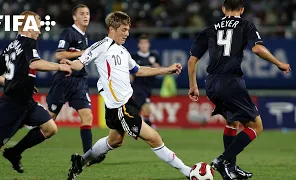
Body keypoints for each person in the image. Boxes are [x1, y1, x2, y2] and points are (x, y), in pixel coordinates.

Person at [63, 11, 192, 180]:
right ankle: (189, 172)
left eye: (128, 30)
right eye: (123, 29)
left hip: (127, 103)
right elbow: (80, 63)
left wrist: (167, 69)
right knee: (155, 138)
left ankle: (80, 161)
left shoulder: (123, 51)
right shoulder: (101, 46)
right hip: (120, 108)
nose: (127, 33)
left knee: (115, 141)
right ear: (112, 28)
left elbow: (138, 70)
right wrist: (69, 65)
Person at [187, 0, 291, 179]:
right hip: (231, 82)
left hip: (211, 83)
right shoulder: (245, 24)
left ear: (223, 9)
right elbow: (257, 49)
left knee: (232, 123)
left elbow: (191, 61)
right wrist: (279, 63)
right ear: (242, 10)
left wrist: (193, 86)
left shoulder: (210, 29)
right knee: (256, 127)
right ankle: (223, 161)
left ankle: (231, 169)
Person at [0, 11, 72, 173]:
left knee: (50, 128)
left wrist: (18, 83)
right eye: (37, 25)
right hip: (11, 105)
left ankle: (14, 152)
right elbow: (35, 64)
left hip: (27, 102)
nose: (40, 29)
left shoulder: (11, 45)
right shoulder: (28, 42)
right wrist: (60, 66)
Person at [46, 4, 105, 165]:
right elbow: (59, 54)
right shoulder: (69, 33)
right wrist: (82, 53)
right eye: (82, 13)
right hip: (64, 81)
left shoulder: (84, 36)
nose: (86, 16)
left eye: (88, 13)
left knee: (87, 116)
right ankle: (18, 147)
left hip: (79, 81)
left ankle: (88, 157)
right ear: (74, 17)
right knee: (48, 121)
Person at [131, 34, 160, 127]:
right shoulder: (134, 57)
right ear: (138, 45)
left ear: (149, 45)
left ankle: (135, 124)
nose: (143, 45)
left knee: (142, 107)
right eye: (141, 43)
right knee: (144, 105)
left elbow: (158, 69)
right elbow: (130, 71)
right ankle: (147, 125)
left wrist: (154, 64)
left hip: (149, 85)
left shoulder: (154, 56)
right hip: (138, 85)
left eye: (145, 43)